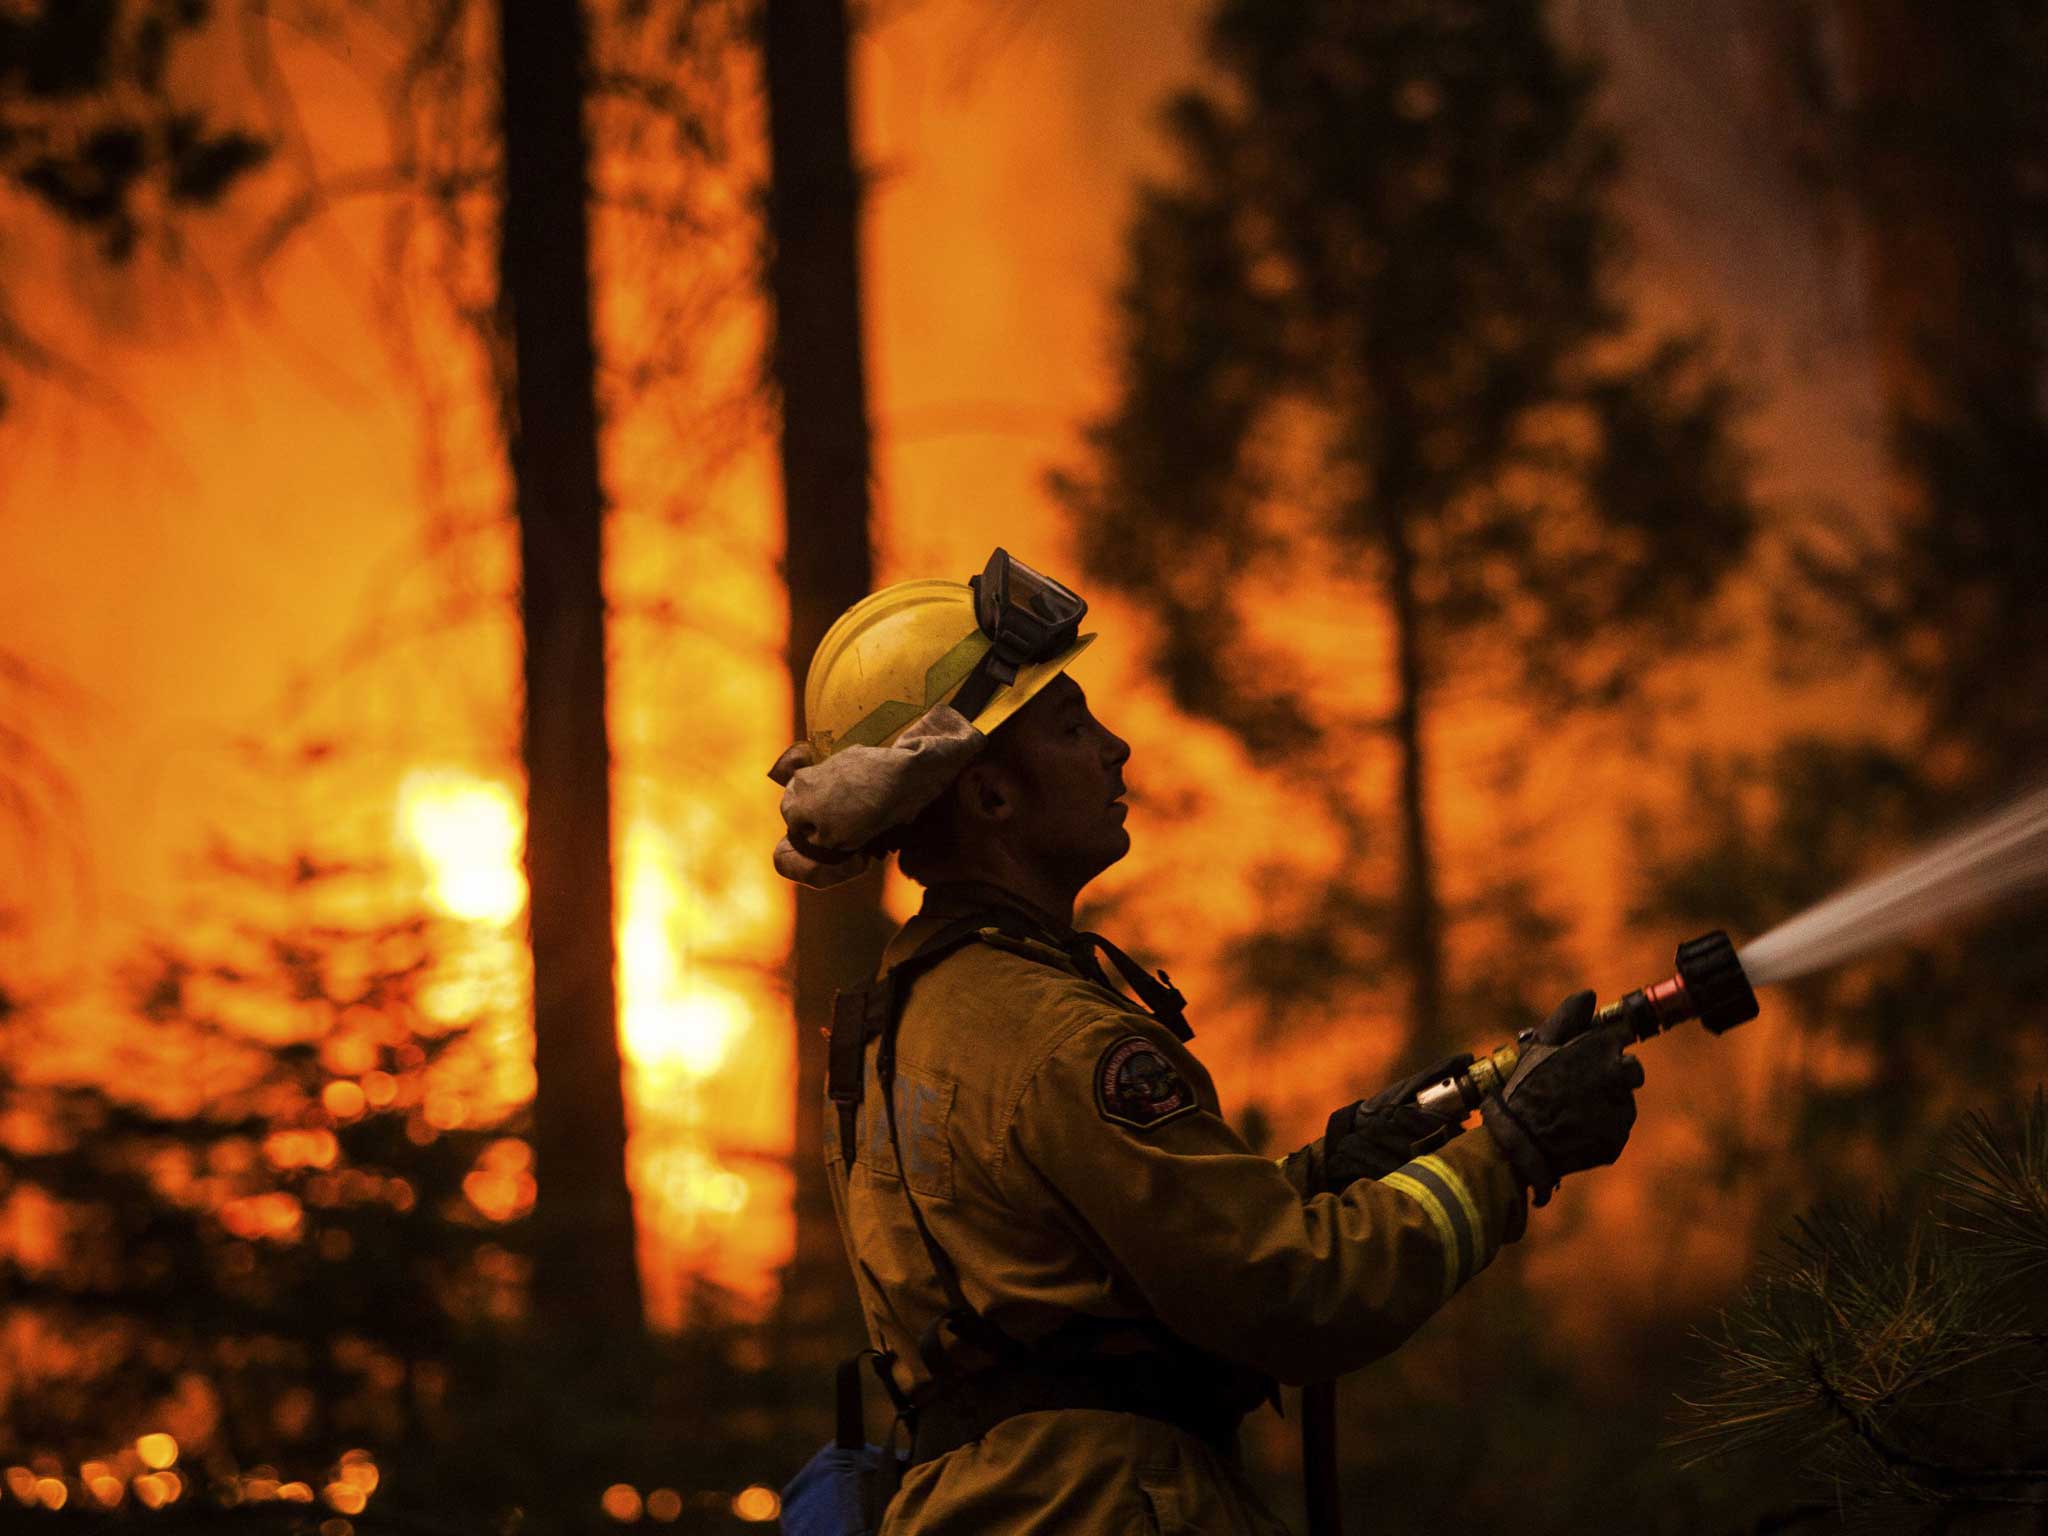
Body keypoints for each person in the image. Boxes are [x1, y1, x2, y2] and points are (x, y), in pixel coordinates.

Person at [769, 550, 1645, 1535]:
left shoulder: (889, 1027)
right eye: (1069, 726)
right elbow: (1291, 1293)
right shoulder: (1059, 1035)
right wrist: (1511, 1149)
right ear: (987, 796)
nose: (1115, 748)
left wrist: (1327, 1172)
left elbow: (1076, 1295)